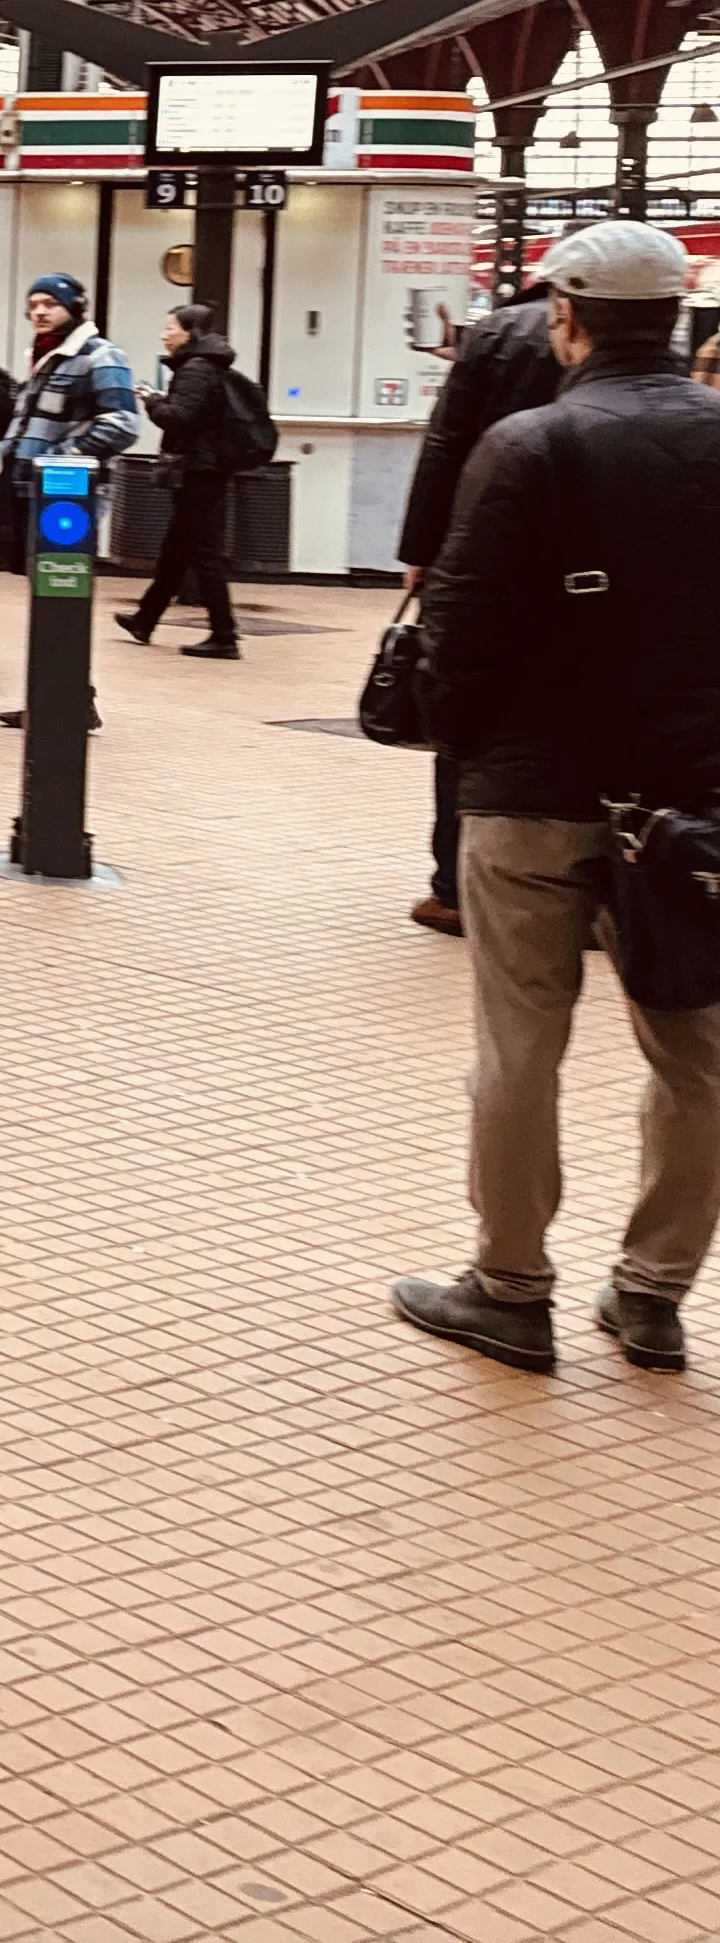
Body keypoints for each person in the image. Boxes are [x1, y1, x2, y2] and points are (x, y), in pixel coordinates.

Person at [392, 220, 720, 1378]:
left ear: (565, 320)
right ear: (678, 322)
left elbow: (459, 630)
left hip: (534, 792)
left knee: (520, 1042)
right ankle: (652, 1296)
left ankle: (511, 1288)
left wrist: (477, 751)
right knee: (699, 1054)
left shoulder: (529, 444)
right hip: (695, 805)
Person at [397, 288, 564, 937]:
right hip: (599, 563)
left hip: (484, 553)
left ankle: (454, 888)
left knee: (464, 709)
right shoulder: (648, 337)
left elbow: (445, 444)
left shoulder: (495, 334)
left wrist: (420, 549)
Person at [0, 271, 140, 730]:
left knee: (61, 595)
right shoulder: (47, 356)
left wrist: (64, 459)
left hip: (67, 499)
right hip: (33, 493)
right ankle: (59, 695)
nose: (39, 312)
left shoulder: (99, 356)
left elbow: (123, 423)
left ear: (74, 308)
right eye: (33, 303)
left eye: (49, 304)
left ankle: (67, 699)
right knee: (49, 597)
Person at [119, 305, 269, 658]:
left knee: (204, 554)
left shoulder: (196, 369)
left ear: (190, 332)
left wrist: (153, 401)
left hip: (200, 472)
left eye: (170, 327)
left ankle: (224, 635)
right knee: (177, 550)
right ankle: (145, 618)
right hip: (203, 470)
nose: (164, 334)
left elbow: (180, 418)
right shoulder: (205, 366)